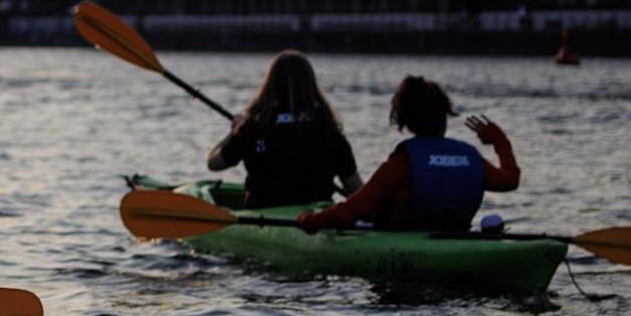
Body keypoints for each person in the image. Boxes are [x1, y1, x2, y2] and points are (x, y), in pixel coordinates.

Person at [295, 75, 519, 234]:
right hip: (455, 236)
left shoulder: (402, 164)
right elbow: (510, 180)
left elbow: (354, 209)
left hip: (405, 240)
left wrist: (310, 221)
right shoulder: (470, 158)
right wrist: (500, 141)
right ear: (444, 116)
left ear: (405, 122)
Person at [205, 50, 363, 209]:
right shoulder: (330, 131)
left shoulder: (253, 128)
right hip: (316, 215)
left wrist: (235, 131)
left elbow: (213, 163)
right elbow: (355, 186)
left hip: (263, 214)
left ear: (271, 84)